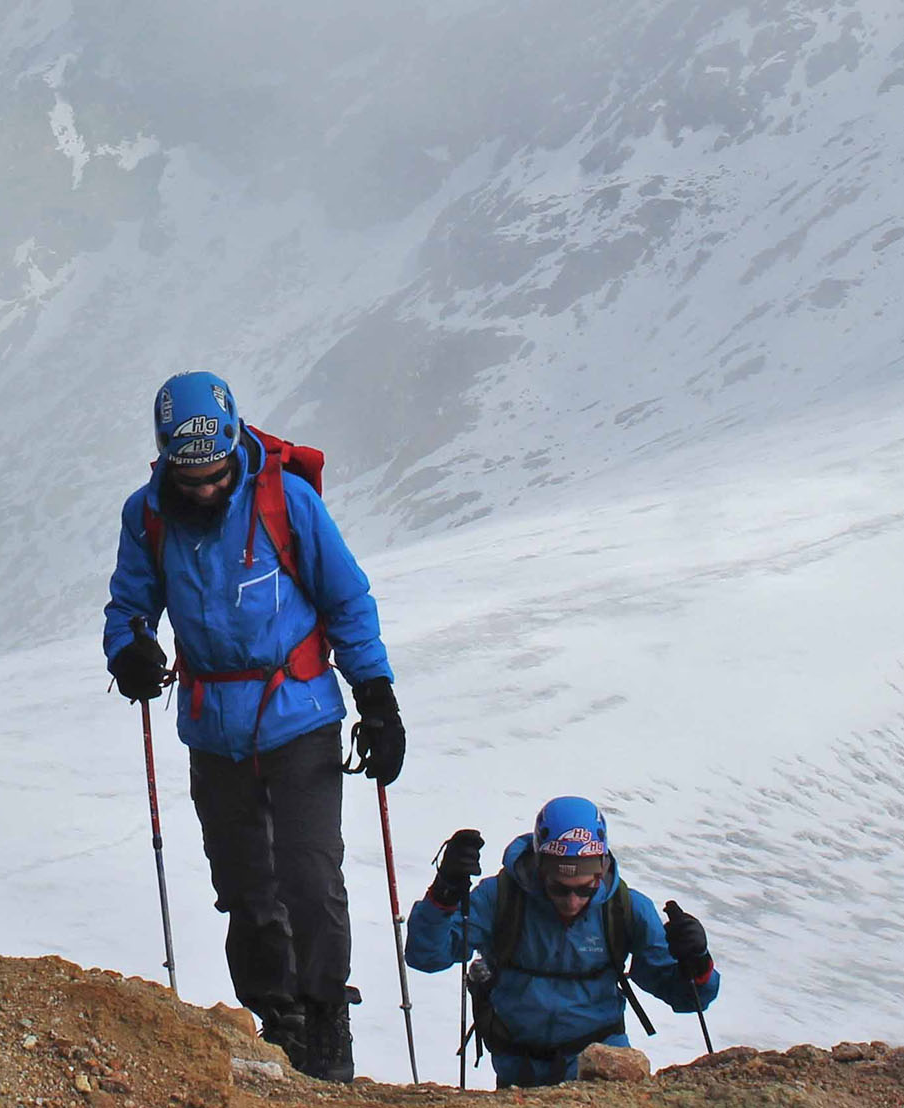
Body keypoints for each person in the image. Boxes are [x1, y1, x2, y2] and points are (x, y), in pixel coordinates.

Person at [102, 371, 405, 1082]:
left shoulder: (285, 502)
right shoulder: (146, 516)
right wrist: (131, 652)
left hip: (299, 715)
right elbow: (128, 607)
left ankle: (325, 1020)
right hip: (214, 728)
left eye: (213, 473)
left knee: (309, 871)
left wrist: (378, 698)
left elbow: (346, 600)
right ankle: (278, 1019)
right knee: (243, 885)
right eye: (189, 475)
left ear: (234, 444)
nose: (204, 487)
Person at [405, 796, 719, 1088]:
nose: (572, 901)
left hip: (600, 1068)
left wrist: (698, 962)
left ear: (602, 870)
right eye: (559, 888)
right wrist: (445, 891)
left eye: (584, 889)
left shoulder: (626, 908)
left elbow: (687, 997)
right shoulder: (500, 898)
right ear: (540, 868)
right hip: (519, 1070)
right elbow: (427, 956)